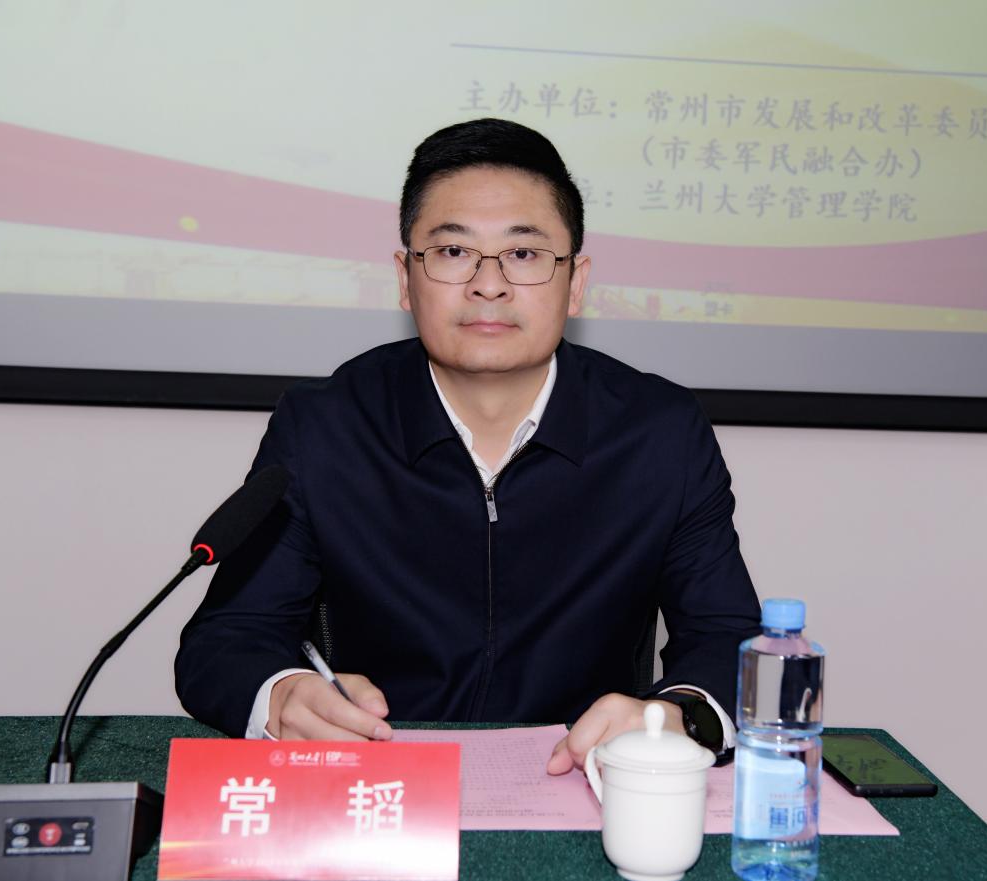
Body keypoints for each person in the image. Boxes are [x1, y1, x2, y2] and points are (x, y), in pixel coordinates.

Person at [175, 118, 761, 774]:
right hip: (383, 779)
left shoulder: (659, 432)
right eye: (453, 251)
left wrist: (676, 715)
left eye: (525, 254)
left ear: (576, 282)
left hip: (583, 778)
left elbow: (726, 637)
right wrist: (282, 694)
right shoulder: (326, 426)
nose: (489, 284)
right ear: (406, 278)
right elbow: (225, 640)